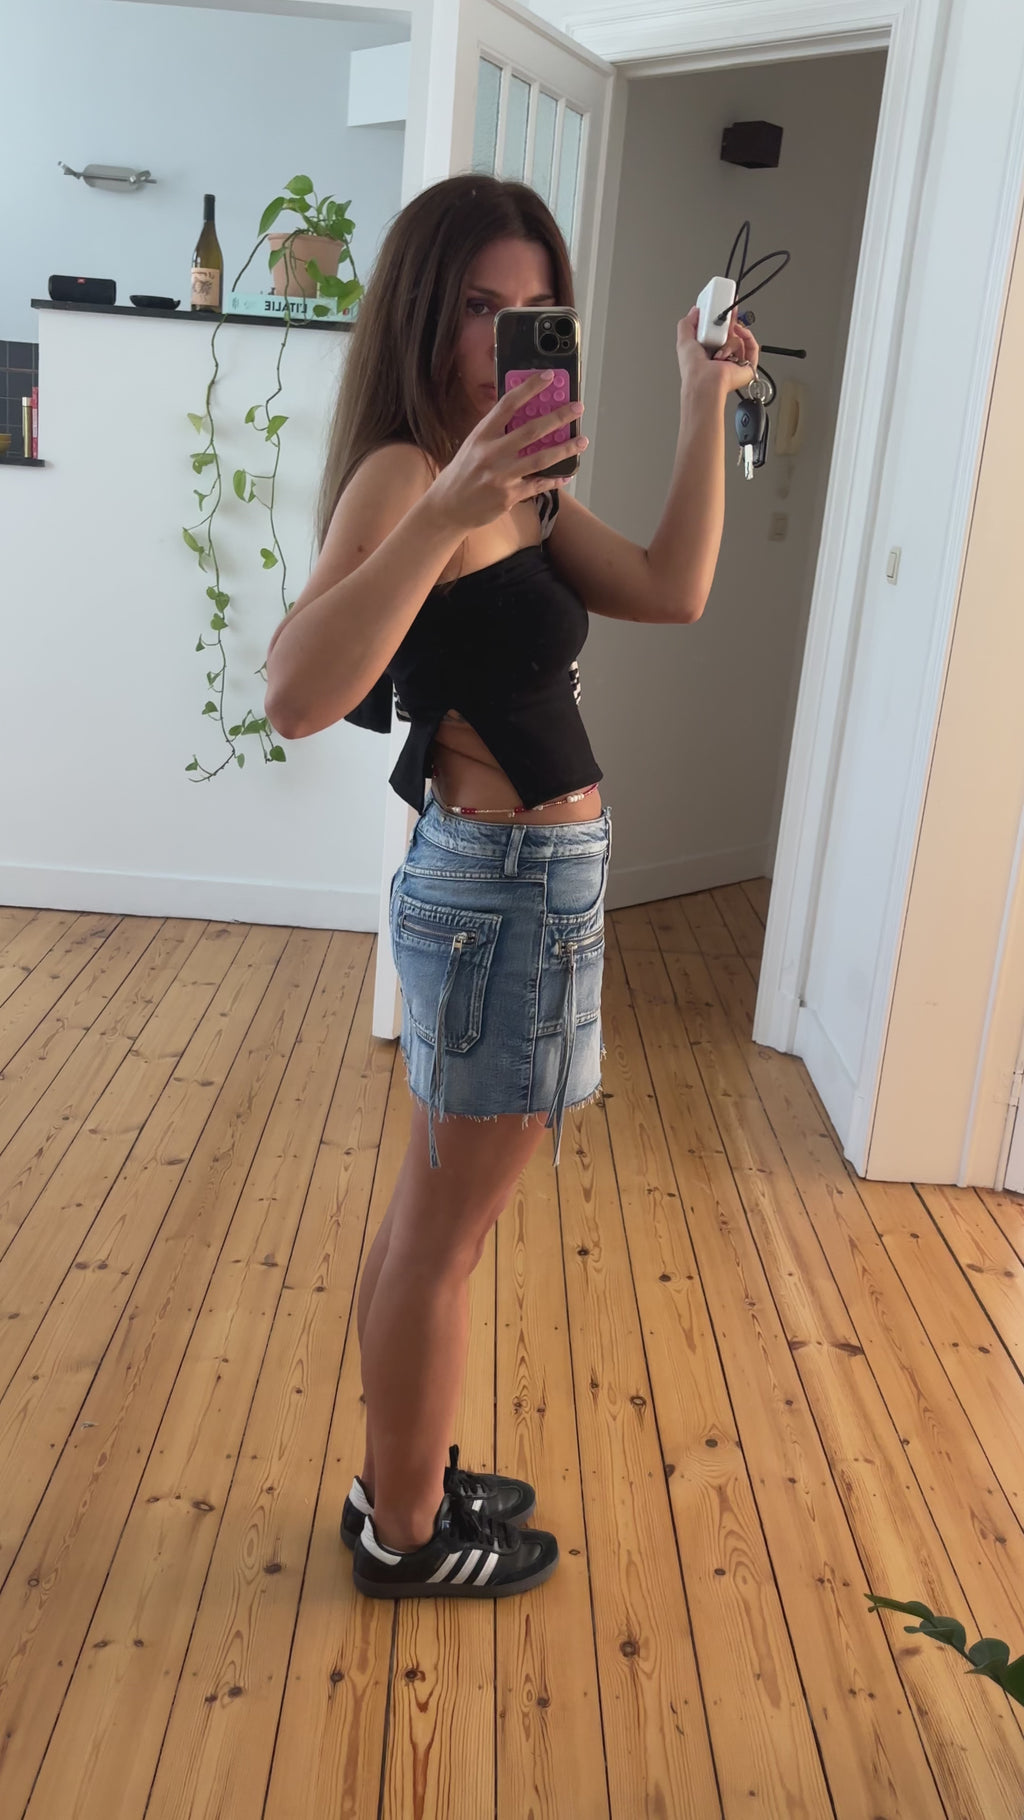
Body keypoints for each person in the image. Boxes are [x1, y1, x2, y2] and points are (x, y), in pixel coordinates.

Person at [263, 174, 758, 1602]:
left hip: (528, 886)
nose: (505, 336)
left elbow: (670, 587)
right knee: (441, 1235)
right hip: (499, 888)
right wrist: (443, 512)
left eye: (533, 311)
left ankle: (402, 1478)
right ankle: (408, 1538)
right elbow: (295, 693)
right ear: (426, 309)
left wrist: (699, 401)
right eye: (481, 305)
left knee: (437, 1222)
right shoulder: (408, 475)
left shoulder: (521, 484)